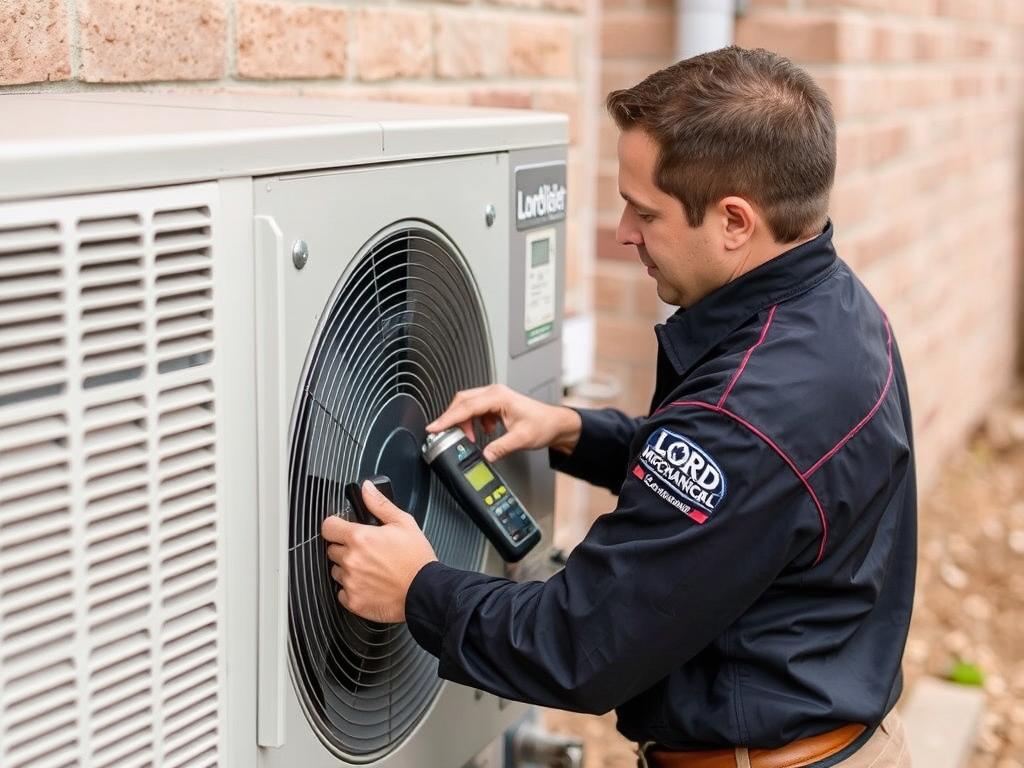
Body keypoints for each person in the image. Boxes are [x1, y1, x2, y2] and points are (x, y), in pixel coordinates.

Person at [322, 46, 916, 768]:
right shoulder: (836, 307)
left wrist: (417, 589)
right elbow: (753, 504)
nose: (624, 232)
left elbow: (579, 644)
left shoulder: (743, 420)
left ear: (734, 221)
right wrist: (574, 432)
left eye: (645, 210)